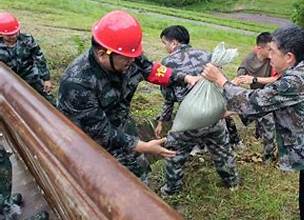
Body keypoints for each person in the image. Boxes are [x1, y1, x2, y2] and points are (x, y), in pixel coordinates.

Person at [202, 25, 304, 220]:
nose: (269, 56)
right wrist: (229, 109)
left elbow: (252, 103)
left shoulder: (294, 82)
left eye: (272, 51)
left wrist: (220, 79)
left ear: (289, 56)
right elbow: (271, 99)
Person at [58, 11, 196, 180]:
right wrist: (143, 146)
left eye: (134, 58)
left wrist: (185, 78)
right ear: (102, 54)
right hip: (87, 142)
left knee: (138, 170)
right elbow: (101, 133)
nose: (132, 62)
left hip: (119, 124)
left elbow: (151, 69)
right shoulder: (78, 83)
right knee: (102, 182)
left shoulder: (127, 56)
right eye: (127, 60)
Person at [154, 25, 239, 196]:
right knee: (222, 150)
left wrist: (163, 121)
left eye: (165, 43)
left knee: (174, 153)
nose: (165, 47)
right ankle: (232, 182)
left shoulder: (168, 62)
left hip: (189, 120)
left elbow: (168, 96)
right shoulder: (207, 55)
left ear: (174, 43)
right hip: (214, 116)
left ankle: (171, 190)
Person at [232, 32, 278, 162]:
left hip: (271, 94)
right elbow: (239, 76)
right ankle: (240, 139)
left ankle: (269, 158)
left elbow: (277, 79)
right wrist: (237, 81)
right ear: (259, 48)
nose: (272, 52)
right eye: (269, 49)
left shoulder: (274, 59)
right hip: (256, 95)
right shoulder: (248, 60)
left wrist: (254, 79)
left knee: (269, 125)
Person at [0, 12, 55, 104]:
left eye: (15, 33)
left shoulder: (27, 40)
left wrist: (46, 79)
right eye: (9, 35)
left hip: (29, 74)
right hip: (7, 79)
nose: (14, 36)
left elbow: (39, 57)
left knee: (47, 98)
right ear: (1, 34)